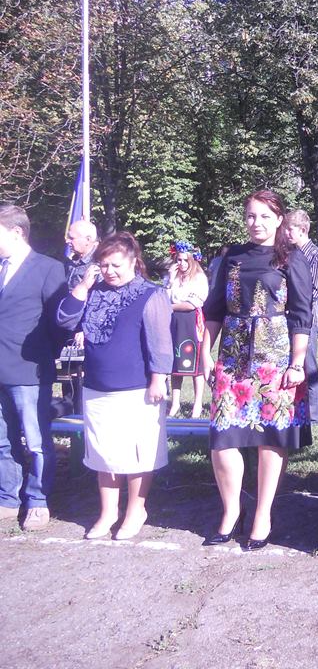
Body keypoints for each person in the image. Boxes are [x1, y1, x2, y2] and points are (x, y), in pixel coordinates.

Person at [202, 190, 314, 551]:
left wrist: (297, 363)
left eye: (265, 216)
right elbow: (214, 309)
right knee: (223, 437)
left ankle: (262, 515)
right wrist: (205, 353)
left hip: (275, 360)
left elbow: (302, 314)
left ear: (279, 219)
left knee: (270, 438)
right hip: (232, 358)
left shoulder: (291, 258)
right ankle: (231, 512)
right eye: (251, 215)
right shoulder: (231, 256)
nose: (257, 223)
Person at [56, 231, 173, 540]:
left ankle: (136, 510)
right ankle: (108, 512)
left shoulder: (151, 293)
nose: (109, 271)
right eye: (104, 265)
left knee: (137, 454)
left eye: (116, 265)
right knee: (103, 454)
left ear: (133, 262)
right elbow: (65, 320)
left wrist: (158, 378)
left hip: (138, 388)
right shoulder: (93, 291)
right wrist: (83, 285)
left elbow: (161, 343)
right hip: (97, 387)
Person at [0, 205, 67, 531]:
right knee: (2, 441)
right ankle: (8, 498)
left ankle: (38, 500)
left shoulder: (48, 269)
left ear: (16, 232)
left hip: (29, 371)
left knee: (36, 441)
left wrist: (42, 358)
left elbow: (59, 325)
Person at [284, 209, 318, 424]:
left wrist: (292, 299)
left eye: (289, 229)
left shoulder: (316, 256)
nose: (285, 233)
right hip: (285, 318)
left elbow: (315, 292)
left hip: (306, 320)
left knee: (308, 366)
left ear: (303, 230)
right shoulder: (286, 254)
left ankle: (314, 416)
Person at [165, 241, 209, 418]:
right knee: (176, 362)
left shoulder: (199, 278)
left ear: (192, 260)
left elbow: (192, 304)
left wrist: (170, 307)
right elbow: (164, 297)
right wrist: (170, 280)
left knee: (195, 364)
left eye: (185, 260)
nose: (182, 264)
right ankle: (175, 403)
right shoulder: (173, 278)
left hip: (191, 322)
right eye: (179, 260)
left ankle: (197, 404)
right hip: (174, 323)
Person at [65, 219, 99, 289]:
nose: (67, 241)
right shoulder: (70, 261)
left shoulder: (99, 265)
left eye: (72, 238)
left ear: (88, 240)